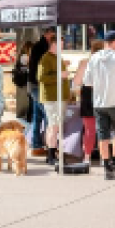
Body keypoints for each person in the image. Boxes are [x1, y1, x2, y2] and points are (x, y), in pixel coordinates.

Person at [83, 31, 115, 180]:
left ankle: (106, 167)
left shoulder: (94, 58)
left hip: (99, 103)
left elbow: (87, 82)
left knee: (103, 135)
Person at [37, 34, 71, 165]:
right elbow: (41, 78)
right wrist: (60, 75)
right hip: (52, 98)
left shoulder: (57, 57)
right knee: (53, 126)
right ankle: (51, 154)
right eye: (60, 45)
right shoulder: (45, 58)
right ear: (53, 45)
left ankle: (52, 152)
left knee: (54, 126)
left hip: (59, 97)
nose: (63, 47)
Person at [73, 40, 105, 163]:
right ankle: (104, 157)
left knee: (89, 129)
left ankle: (87, 156)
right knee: (104, 128)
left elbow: (76, 82)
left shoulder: (85, 63)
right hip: (103, 96)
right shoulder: (107, 63)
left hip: (88, 96)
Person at [28, 27, 56, 153]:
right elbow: (42, 70)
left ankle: (36, 145)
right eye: (53, 35)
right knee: (47, 116)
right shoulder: (43, 48)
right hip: (38, 85)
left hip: (34, 84)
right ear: (48, 34)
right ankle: (49, 146)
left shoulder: (39, 46)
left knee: (37, 116)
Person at [12, 41, 33, 121]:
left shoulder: (23, 56)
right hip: (29, 83)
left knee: (32, 102)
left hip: (27, 83)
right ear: (28, 48)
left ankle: (29, 118)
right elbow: (28, 69)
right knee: (32, 103)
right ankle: (29, 119)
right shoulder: (25, 57)